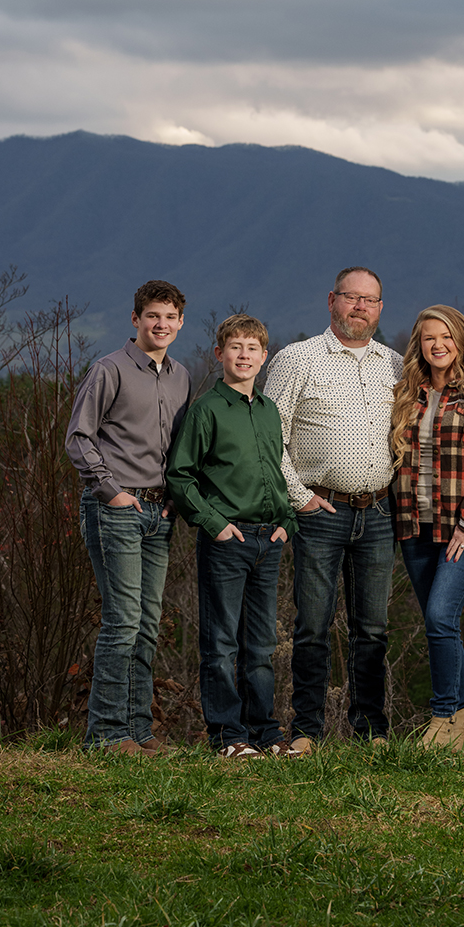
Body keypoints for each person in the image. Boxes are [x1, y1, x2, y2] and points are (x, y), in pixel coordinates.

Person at [263, 267, 403, 750]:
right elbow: (269, 437)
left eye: (370, 300)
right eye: (351, 298)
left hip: (380, 513)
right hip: (321, 512)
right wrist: (300, 497)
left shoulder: (396, 365)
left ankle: (371, 730)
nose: (360, 307)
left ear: (381, 308)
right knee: (313, 626)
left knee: (372, 628)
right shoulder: (297, 359)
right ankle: (306, 730)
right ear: (331, 301)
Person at [166, 314, 300, 759]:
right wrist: (215, 525)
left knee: (260, 646)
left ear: (264, 357)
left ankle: (266, 734)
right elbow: (181, 477)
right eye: (235, 347)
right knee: (221, 644)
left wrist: (288, 522)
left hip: (270, 540)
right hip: (228, 541)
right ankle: (228, 736)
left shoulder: (268, 410)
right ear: (219, 353)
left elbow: (278, 473)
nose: (244, 355)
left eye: (252, 348)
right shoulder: (206, 409)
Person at [66, 280, 191, 755]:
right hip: (117, 508)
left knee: (148, 622)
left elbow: (178, 445)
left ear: (180, 323)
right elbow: (79, 437)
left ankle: (139, 732)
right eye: (152, 316)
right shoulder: (109, 369)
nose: (161, 325)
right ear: (135, 319)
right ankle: (105, 734)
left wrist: (176, 497)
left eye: (170, 318)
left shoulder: (179, 375)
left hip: (161, 512)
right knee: (121, 622)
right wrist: (111, 491)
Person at [390, 305, 464, 752]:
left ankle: (442, 719)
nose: (437, 345)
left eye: (445, 337)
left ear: (461, 340)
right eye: (427, 338)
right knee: (439, 623)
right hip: (415, 524)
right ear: (418, 344)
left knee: (441, 615)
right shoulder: (408, 392)